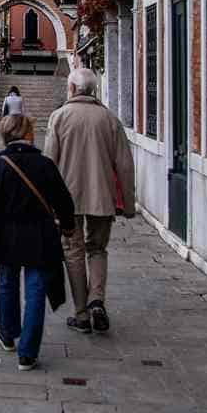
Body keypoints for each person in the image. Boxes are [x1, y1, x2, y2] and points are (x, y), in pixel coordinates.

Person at [0, 113, 75, 371]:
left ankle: (8, 336)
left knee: (8, 285)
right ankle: (28, 354)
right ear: (29, 134)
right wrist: (68, 226)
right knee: (35, 292)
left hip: (7, 238)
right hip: (40, 238)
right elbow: (63, 200)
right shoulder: (45, 165)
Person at [45, 67, 136, 335]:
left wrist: (48, 204)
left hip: (67, 199)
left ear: (71, 89)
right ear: (93, 90)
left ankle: (82, 313)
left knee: (73, 252)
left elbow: (49, 164)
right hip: (102, 197)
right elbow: (125, 165)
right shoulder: (109, 119)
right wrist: (128, 205)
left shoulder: (59, 118)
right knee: (97, 249)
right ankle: (98, 300)